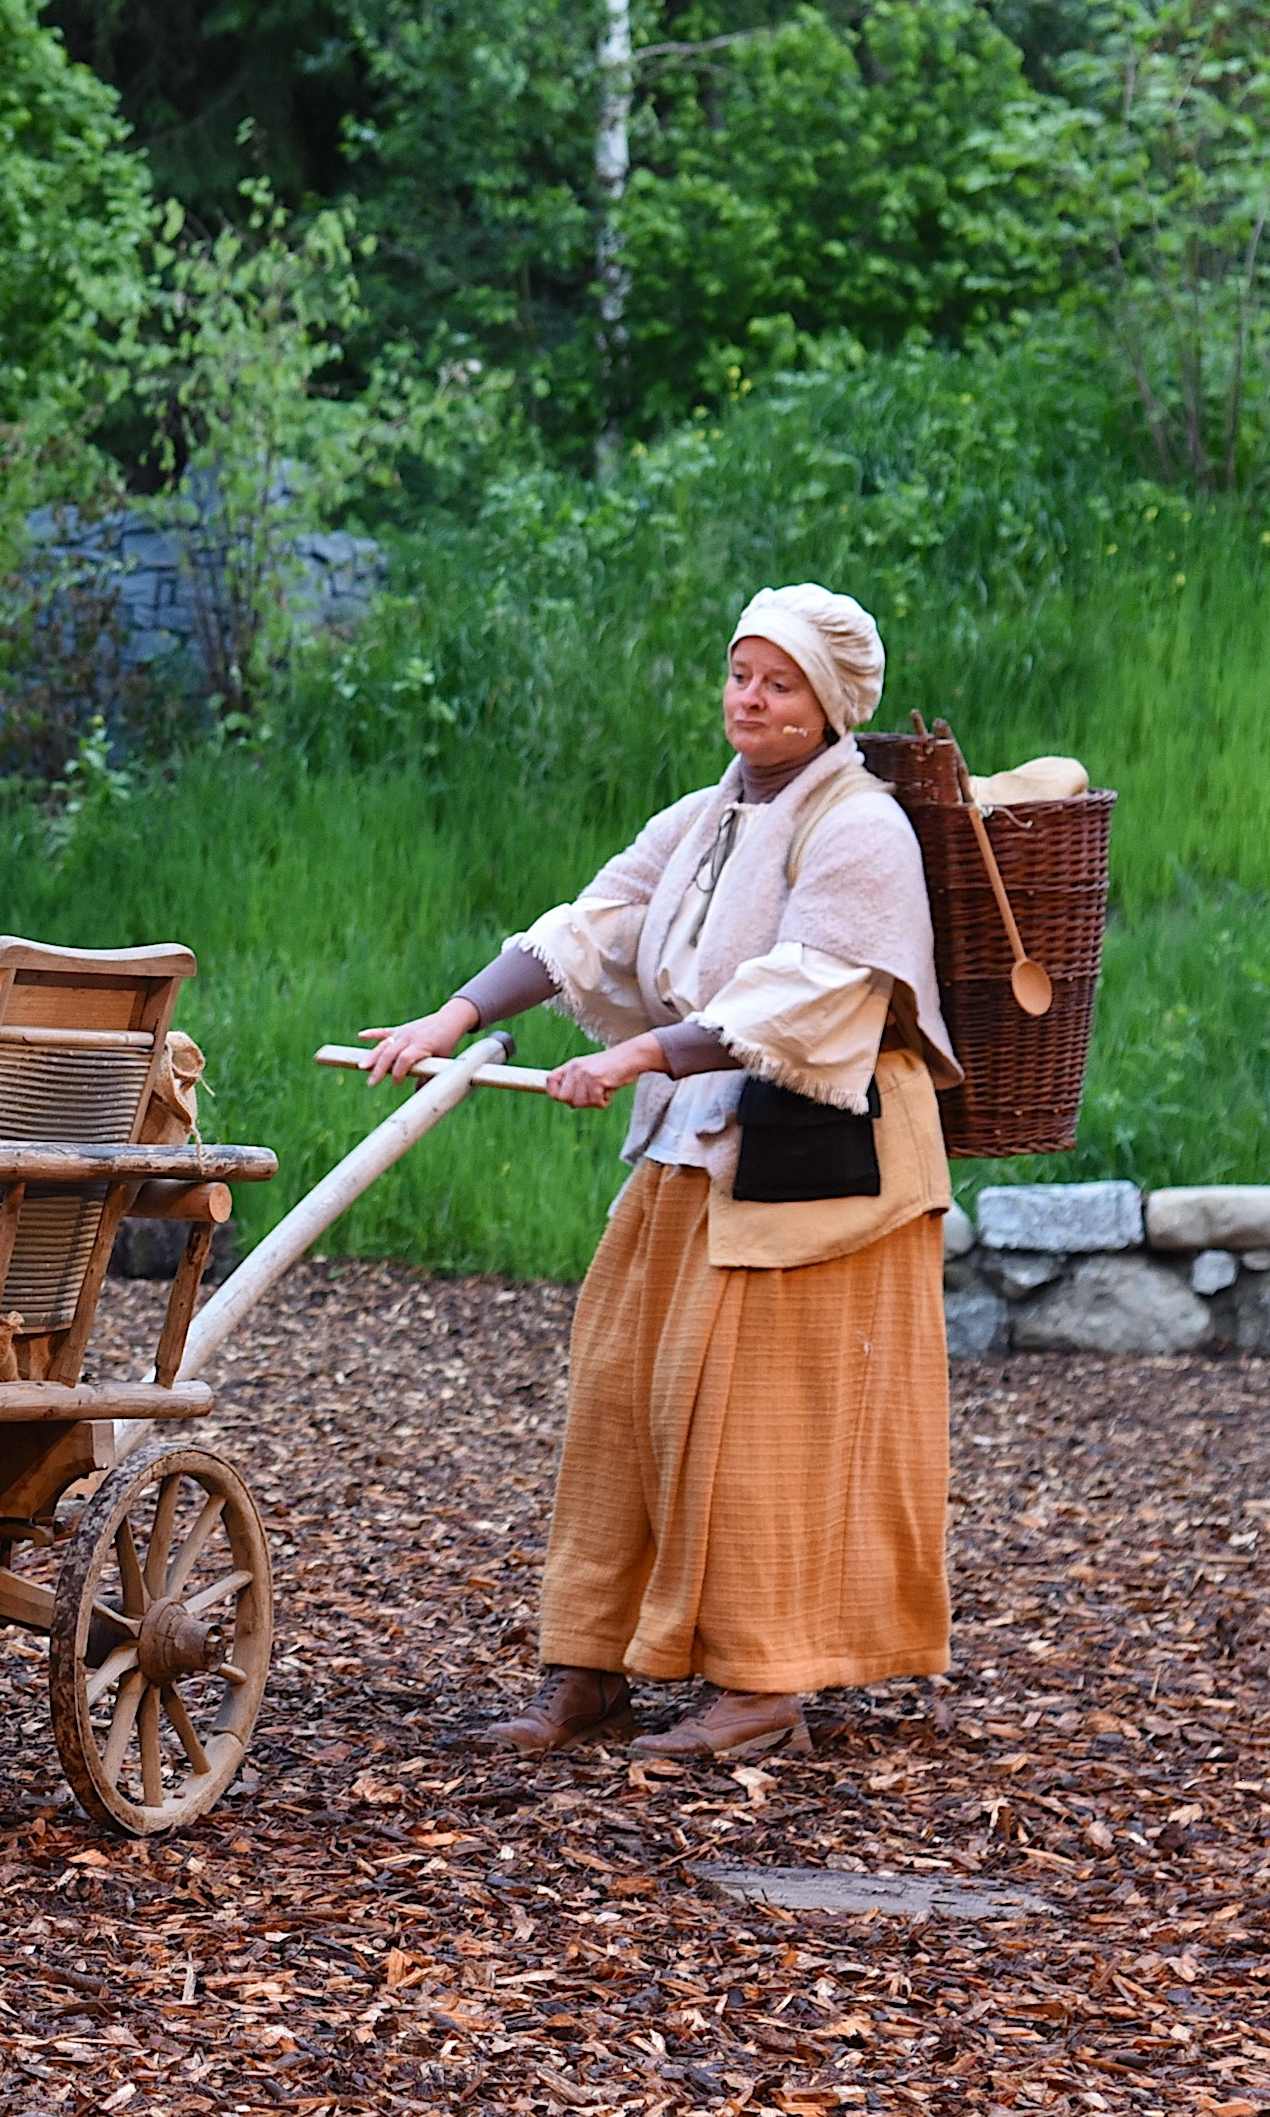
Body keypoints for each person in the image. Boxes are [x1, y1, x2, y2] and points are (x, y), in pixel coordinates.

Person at [361, 585, 959, 1759]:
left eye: (780, 682)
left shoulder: (861, 829)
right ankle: (590, 1668)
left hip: (817, 1165)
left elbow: (806, 993)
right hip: (694, 1144)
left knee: (750, 1420)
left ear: (829, 704)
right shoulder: (704, 816)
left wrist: (639, 1050)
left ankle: (762, 1682)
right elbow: (594, 924)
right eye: (741, 674)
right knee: (622, 1397)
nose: (751, 697)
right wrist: (451, 1015)